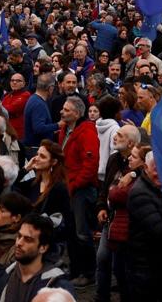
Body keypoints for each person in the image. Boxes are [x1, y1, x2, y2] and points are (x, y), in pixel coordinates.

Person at [124, 151, 162, 302]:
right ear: (145, 168)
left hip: (158, 267)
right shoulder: (140, 194)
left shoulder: (159, 188)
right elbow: (160, 232)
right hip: (145, 269)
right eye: (155, 169)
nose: (160, 173)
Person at [56, 94, 99, 287]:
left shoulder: (86, 131)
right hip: (69, 186)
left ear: (77, 113)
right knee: (72, 232)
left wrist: (75, 184)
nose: (61, 112)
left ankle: (89, 273)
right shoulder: (65, 129)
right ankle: (76, 268)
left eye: (66, 110)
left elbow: (90, 164)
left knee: (82, 233)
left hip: (80, 189)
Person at [0, 213, 73, 302]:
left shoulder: (58, 287)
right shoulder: (4, 275)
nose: (19, 243)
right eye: (19, 236)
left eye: (28, 239)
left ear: (43, 248)